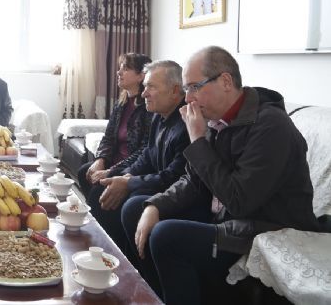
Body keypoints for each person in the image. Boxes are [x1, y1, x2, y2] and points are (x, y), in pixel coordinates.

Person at [122, 46, 319, 304]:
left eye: (194, 87)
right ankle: (157, 296)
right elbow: (193, 180)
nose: (188, 98)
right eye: (186, 89)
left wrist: (197, 141)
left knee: (166, 236)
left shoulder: (271, 126)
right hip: (225, 216)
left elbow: (239, 202)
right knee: (136, 208)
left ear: (226, 81)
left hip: (264, 227)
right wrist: (155, 205)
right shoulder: (215, 118)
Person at [87, 60, 189, 286]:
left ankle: (140, 279)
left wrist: (129, 183)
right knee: (104, 187)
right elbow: (147, 157)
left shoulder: (186, 124)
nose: (144, 94)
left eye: (151, 87)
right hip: (158, 183)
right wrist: (121, 176)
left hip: (176, 193)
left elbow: (175, 177)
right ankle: (110, 260)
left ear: (175, 91)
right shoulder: (160, 116)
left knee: (132, 203)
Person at [77, 53, 153, 197]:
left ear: (141, 76)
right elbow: (109, 137)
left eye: (125, 69)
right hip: (113, 161)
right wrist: (100, 160)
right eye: (120, 68)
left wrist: (111, 171)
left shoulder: (148, 108)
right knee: (84, 172)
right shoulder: (121, 104)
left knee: (97, 192)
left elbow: (144, 150)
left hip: (131, 168)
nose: (118, 72)